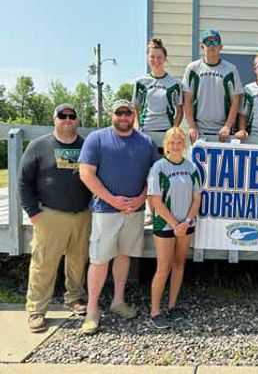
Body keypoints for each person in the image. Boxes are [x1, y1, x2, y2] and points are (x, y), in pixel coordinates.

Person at [79, 100, 159, 335]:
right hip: (106, 211)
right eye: (119, 112)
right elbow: (86, 174)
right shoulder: (97, 138)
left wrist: (142, 197)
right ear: (111, 114)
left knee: (124, 256)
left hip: (134, 211)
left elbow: (153, 177)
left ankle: (118, 301)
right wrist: (113, 200)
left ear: (134, 115)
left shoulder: (145, 142)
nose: (123, 117)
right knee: (100, 259)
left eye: (128, 113)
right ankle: (92, 309)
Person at [19, 104, 92, 333]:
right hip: (50, 214)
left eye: (72, 116)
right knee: (44, 262)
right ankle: (37, 309)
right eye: (63, 116)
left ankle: (75, 297)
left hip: (82, 213)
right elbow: (24, 181)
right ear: (55, 119)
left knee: (78, 260)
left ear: (78, 120)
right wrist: (32, 211)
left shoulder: (86, 146)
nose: (67, 119)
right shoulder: (39, 146)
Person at [147, 127, 202, 329]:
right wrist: (174, 224)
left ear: (184, 145)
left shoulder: (191, 167)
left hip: (186, 224)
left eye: (179, 142)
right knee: (163, 267)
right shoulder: (158, 168)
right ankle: (155, 311)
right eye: (172, 142)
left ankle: (172, 305)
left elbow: (197, 198)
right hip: (165, 224)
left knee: (179, 264)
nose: (176, 145)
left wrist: (186, 221)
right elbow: (156, 201)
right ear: (166, 144)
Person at [182, 28, 243, 142]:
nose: (211, 46)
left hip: (224, 133)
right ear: (202, 46)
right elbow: (187, 100)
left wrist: (227, 126)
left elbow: (235, 101)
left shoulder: (230, 70)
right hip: (199, 132)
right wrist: (192, 126)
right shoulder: (193, 69)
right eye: (208, 42)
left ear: (220, 47)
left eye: (215, 42)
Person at [132, 38, 183, 135]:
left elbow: (180, 112)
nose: (155, 60)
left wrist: (173, 130)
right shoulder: (140, 82)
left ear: (165, 58)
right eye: (152, 57)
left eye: (159, 57)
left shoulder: (175, 84)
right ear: (147, 58)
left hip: (167, 132)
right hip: (145, 131)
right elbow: (135, 109)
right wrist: (137, 127)